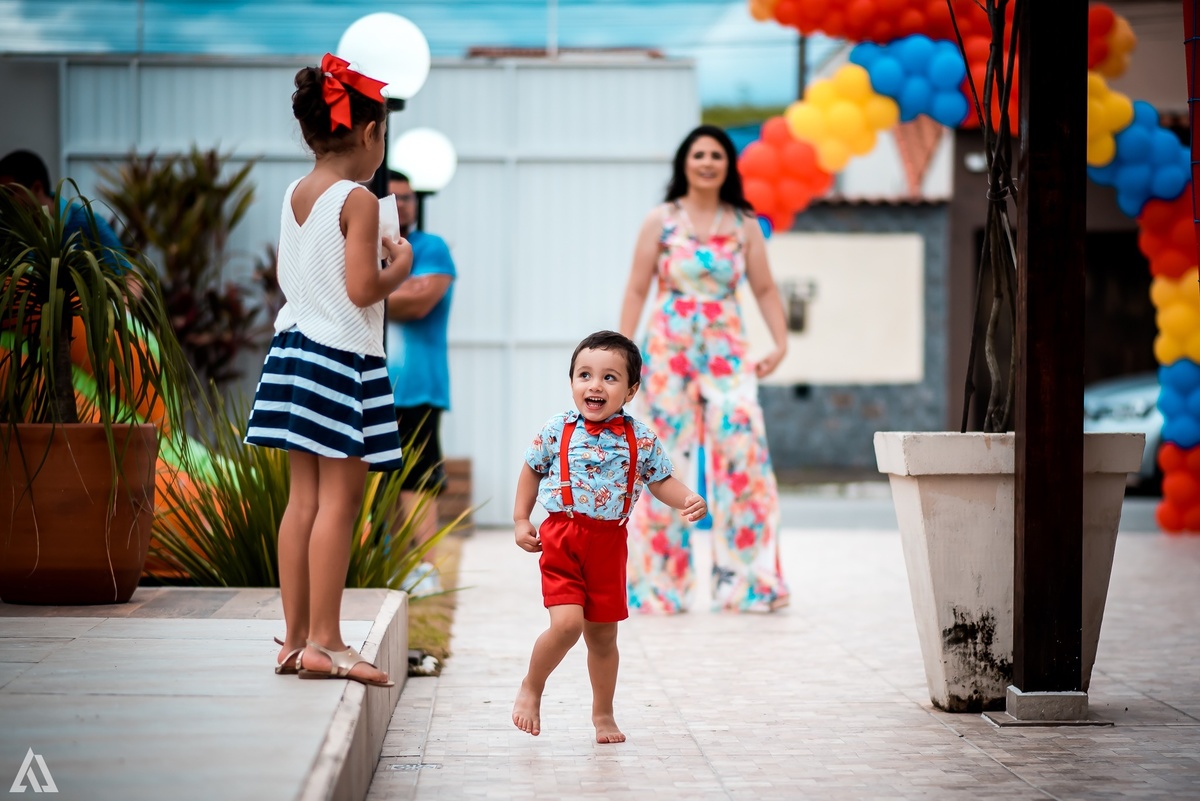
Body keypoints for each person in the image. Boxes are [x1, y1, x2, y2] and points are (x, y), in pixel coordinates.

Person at [243, 53, 413, 686]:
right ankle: (329, 643)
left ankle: (292, 640)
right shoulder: (362, 199)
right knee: (341, 505)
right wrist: (401, 261)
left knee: (303, 503)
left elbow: (298, 274)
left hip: (292, 355)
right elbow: (365, 289)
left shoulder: (294, 193)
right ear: (370, 133)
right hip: (341, 359)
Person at [618, 124, 791, 614]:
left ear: (727, 165)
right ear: (684, 163)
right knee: (658, 460)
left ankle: (749, 583)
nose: (708, 162)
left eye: (717, 154)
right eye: (699, 154)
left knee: (743, 459)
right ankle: (658, 586)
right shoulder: (661, 220)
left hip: (728, 352)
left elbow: (764, 289)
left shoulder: (744, 224)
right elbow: (636, 289)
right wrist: (623, 354)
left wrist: (781, 342)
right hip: (665, 353)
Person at [511, 330, 707, 743]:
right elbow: (532, 468)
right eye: (584, 375)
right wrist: (519, 519)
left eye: (609, 378)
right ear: (572, 383)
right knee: (567, 626)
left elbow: (661, 481)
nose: (594, 385)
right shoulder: (557, 429)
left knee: (603, 636)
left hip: (608, 544)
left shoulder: (641, 438)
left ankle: (603, 713)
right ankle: (532, 684)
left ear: (631, 390)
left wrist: (688, 497)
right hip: (562, 536)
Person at [384, 169, 456, 596]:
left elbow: (418, 302)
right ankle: (384, 563)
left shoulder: (431, 248)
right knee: (371, 479)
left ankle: (426, 569)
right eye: (394, 199)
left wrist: (360, 289)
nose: (405, 205)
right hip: (367, 385)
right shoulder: (360, 248)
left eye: (409, 198)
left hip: (418, 386)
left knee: (419, 478)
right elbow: (403, 295)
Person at [0, 149, 130, 270]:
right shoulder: (7, 229)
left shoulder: (87, 223)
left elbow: (129, 276)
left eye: (9, 193)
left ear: (37, 187)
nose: (4, 201)